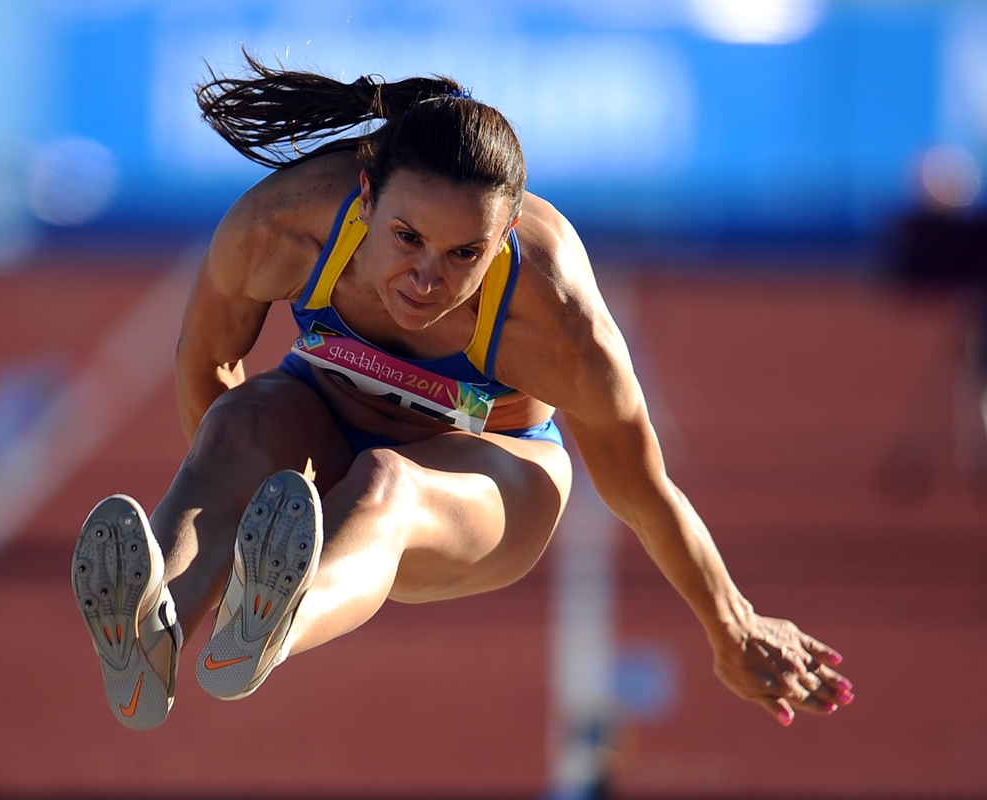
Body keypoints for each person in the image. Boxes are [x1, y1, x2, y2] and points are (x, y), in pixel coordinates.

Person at [71, 56, 854, 731]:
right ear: (367, 195)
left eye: (463, 254)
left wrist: (732, 624)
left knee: (386, 487)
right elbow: (206, 364)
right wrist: (235, 510)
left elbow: (643, 492)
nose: (425, 278)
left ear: (508, 229)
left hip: (487, 478)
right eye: (408, 238)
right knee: (239, 421)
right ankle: (152, 629)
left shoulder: (557, 323)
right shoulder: (284, 227)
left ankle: (272, 621)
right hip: (318, 416)